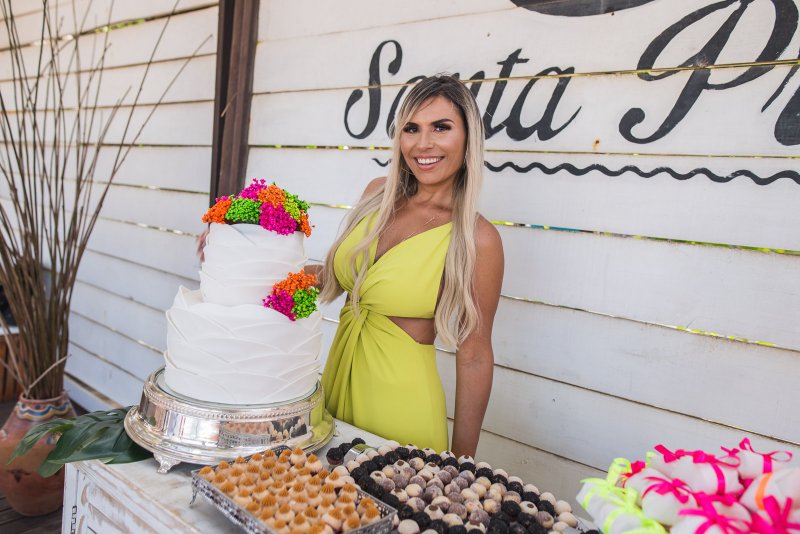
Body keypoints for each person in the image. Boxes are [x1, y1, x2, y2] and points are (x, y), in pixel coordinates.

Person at [315, 74, 504, 457]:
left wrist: (462, 463)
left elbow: (475, 355)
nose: (423, 144)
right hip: (334, 385)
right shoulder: (376, 194)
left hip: (401, 409)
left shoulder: (477, 238)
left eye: (441, 128)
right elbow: (327, 278)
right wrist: (242, 240)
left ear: (468, 138)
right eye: (411, 129)